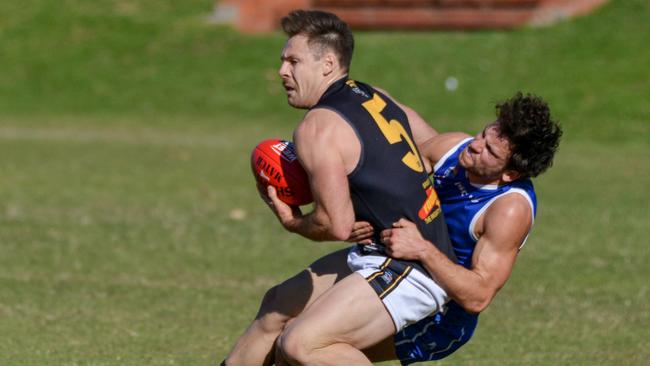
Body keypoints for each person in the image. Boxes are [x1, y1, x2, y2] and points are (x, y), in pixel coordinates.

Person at [225, 90, 562, 365]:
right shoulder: (452, 150)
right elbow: (392, 180)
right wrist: (358, 217)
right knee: (278, 306)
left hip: (437, 309)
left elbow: (478, 296)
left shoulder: (508, 209)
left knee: (302, 347)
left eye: (489, 150)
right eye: (483, 134)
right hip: (388, 259)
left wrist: (423, 249)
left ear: (510, 174)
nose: (475, 144)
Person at [223, 9, 459, 366]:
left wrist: (293, 222)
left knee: (303, 345)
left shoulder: (317, 127)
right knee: (277, 308)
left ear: (328, 63)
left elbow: (334, 224)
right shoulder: (374, 94)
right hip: (382, 252)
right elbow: (431, 151)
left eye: (293, 61)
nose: (282, 71)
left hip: (411, 268)